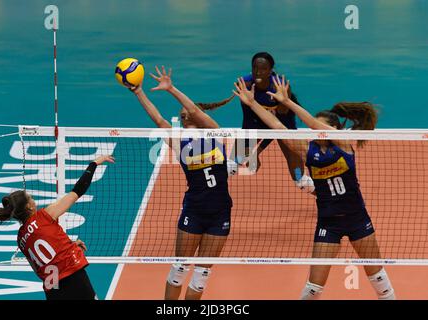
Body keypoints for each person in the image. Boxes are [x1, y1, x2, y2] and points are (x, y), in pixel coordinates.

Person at [233, 76, 395, 300]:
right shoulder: (307, 150)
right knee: (313, 289)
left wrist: (288, 103)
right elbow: (277, 126)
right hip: (328, 223)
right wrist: (252, 104)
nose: (317, 132)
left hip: (358, 219)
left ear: (334, 129)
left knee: (381, 283)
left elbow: (312, 124)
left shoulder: (344, 144)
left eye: (322, 127)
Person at [129, 66, 233, 300]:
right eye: (183, 115)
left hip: (220, 212)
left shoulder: (215, 134)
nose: (185, 116)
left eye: (188, 113)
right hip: (194, 210)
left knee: (202, 274)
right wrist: (139, 93)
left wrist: (171, 88)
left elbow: (194, 109)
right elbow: (158, 119)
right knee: (179, 269)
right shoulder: (179, 142)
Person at [0, 155, 115, 300]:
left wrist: (68, 247)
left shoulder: (21, 238)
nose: (33, 199)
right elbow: (78, 190)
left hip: (52, 286)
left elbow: (41, 264)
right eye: (30, 197)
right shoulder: (45, 216)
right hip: (72, 278)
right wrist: (93, 164)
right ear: (28, 206)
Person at [234, 52, 313, 192]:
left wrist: (257, 151)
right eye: (255, 68)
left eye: (263, 69)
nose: (258, 72)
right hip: (255, 124)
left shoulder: (279, 86)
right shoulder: (246, 84)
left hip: (284, 128)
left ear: (270, 70)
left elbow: (277, 126)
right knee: (232, 163)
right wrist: (248, 143)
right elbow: (247, 119)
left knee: (299, 177)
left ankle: (324, 197)